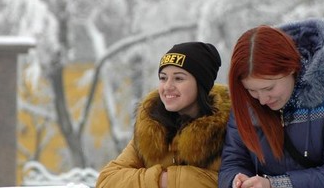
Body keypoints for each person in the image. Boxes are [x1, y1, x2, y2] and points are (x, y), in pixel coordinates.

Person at [218, 18, 324, 188]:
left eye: (269, 88)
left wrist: (275, 185)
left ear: (290, 68)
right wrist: (236, 181)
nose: (262, 100)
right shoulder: (247, 102)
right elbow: (232, 162)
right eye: (252, 90)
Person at [96, 42, 231, 188]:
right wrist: (162, 180)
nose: (167, 87)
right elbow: (106, 181)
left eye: (178, 78)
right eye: (163, 78)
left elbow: (234, 182)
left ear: (201, 84)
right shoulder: (151, 128)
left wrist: (167, 179)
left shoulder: (231, 128)